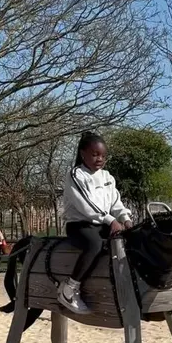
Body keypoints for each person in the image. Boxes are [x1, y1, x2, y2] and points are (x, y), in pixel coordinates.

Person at [59, 131, 133, 314]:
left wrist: (126, 219)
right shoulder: (76, 175)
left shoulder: (107, 176)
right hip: (80, 225)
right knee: (95, 245)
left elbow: (116, 203)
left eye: (103, 156)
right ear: (83, 153)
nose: (99, 159)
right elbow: (87, 206)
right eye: (94, 154)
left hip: (104, 224)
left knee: (130, 241)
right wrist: (111, 220)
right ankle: (69, 289)